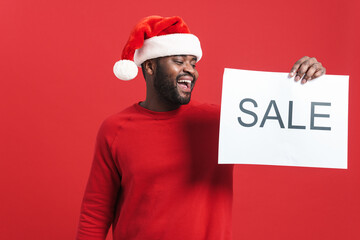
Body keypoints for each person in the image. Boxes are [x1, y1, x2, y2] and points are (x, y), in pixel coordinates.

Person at [76, 16, 326, 240]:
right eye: (178, 61)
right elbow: (95, 212)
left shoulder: (221, 121)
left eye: (193, 63)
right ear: (149, 67)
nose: (190, 70)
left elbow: (291, 132)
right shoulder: (115, 129)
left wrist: (306, 85)